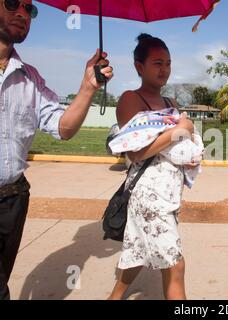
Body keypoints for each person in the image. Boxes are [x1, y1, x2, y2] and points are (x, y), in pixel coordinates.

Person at [0, 0, 113, 299]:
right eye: (12, 3)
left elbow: (64, 128)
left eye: (30, 8)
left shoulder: (31, 79)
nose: (23, 13)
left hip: (11, 201)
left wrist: (88, 87)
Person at [108, 34, 196, 300]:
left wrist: (188, 146)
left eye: (168, 63)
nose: (165, 69)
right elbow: (135, 152)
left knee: (136, 254)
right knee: (175, 265)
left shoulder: (170, 103)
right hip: (147, 195)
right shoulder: (130, 100)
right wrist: (180, 130)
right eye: (158, 63)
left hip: (169, 194)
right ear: (139, 67)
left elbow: (180, 142)